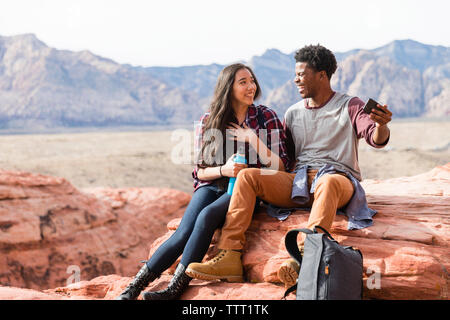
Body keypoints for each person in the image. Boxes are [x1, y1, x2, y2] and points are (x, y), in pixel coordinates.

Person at [185, 44, 392, 288]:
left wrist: (381, 125)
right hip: (300, 182)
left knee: (328, 181)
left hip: (338, 180)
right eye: (295, 74)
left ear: (322, 75)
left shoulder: (350, 105)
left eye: (301, 74)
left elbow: (375, 138)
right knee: (249, 176)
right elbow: (283, 160)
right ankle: (229, 256)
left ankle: (304, 255)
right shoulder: (293, 113)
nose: (295, 80)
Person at [115, 63, 289, 300]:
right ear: (228, 88)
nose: (251, 86)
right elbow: (201, 172)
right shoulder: (210, 119)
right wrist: (225, 169)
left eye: (252, 81)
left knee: (207, 217)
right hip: (212, 184)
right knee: (183, 231)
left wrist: (252, 138)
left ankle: (175, 290)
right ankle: (132, 289)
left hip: (244, 189)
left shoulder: (265, 116)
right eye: (243, 82)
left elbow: (281, 166)